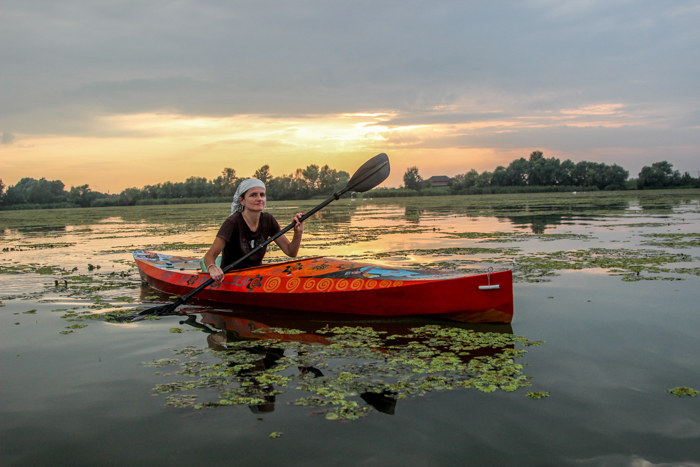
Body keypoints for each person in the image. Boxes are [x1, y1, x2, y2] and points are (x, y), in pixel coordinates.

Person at [202, 178, 303, 283]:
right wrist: (212, 268)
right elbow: (210, 255)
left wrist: (298, 233)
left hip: (257, 278)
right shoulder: (232, 222)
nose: (259, 199)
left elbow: (291, 252)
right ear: (242, 200)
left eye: (262, 195)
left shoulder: (268, 220)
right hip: (231, 278)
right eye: (253, 195)